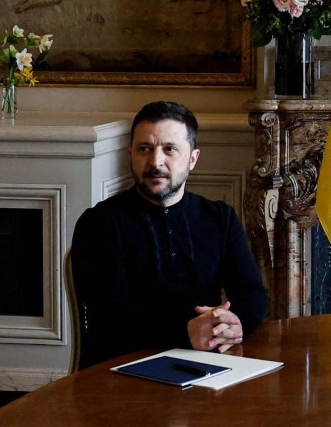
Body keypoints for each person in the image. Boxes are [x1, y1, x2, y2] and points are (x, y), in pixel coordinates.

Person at [71, 101, 268, 369]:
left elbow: (252, 294)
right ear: (130, 155)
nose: (155, 162)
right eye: (145, 149)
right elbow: (111, 317)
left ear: (192, 159)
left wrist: (233, 324)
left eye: (170, 149)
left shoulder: (220, 218)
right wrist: (186, 331)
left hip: (206, 361)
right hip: (121, 370)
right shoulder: (99, 223)